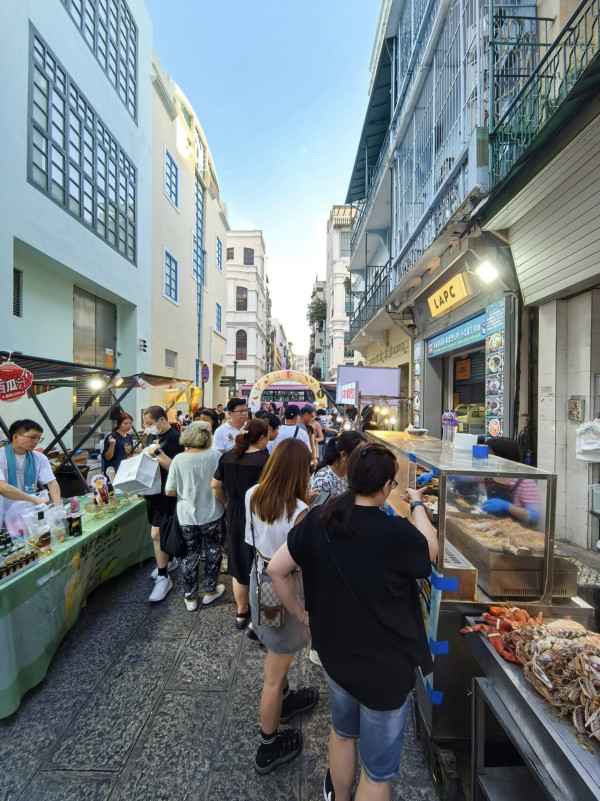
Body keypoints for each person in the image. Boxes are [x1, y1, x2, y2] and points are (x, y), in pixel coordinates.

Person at [268, 442, 438, 801]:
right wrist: (419, 503)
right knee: (377, 775)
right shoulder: (396, 533)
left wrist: (302, 615)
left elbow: (276, 569)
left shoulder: (319, 518)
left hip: (335, 654)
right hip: (384, 670)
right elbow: (430, 550)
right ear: (385, 487)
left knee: (343, 732)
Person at [245, 438, 319, 775]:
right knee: (272, 676)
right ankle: (268, 747)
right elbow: (301, 558)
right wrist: (303, 614)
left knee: (274, 649)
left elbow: (255, 539)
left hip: (260, 579)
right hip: (287, 585)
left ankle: (287, 701)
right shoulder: (299, 512)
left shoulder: (253, 494)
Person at [211, 419, 270, 629]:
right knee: (261, 561)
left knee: (238, 562)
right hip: (259, 513)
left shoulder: (228, 456)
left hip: (235, 512)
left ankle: (241, 611)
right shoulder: (265, 460)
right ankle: (260, 613)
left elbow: (215, 485)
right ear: (262, 438)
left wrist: (227, 503)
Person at [165, 422, 226, 611]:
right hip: (212, 512)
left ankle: (190, 597)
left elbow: (169, 491)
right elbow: (221, 484)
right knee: (213, 551)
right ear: (207, 437)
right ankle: (210, 591)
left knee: (189, 555)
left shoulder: (178, 459)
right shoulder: (215, 456)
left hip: (187, 516)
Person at [143, 405, 184, 602]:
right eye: (146, 425)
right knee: (159, 532)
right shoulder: (152, 436)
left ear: (161, 420)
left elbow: (174, 467)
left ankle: (163, 576)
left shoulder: (175, 439)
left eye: (150, 424)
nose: (149, 428)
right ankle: (170, 561)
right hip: (152, 490)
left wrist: (158, 451)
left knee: (156, 534)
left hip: (166, 493)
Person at [0, 419, 61, 525]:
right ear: (15, 437)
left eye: (39, 438)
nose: (36, 441)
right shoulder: (2, 456)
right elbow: (2, 487)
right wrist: (33, 499)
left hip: (28, 515)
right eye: (32, 437)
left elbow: (52, 483)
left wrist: (58, 508)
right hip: (3, 514)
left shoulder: (39, 458)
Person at [481, 437, 541, 524]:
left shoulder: (525, 482)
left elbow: (534, 516)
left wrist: (506, 506)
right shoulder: (490, 476)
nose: (487, 459)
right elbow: (468, 478)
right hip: (492, 525)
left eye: (490, 456)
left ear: (503, 458)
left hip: (515, 531)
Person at [310, 430, 367, 497]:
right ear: (343, 455)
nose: (364, 457)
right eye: (359, 453)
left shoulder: (350, 472)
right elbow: (318, 506)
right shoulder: (323, 480)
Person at [101, 412, 134, 477]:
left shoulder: (129, 437)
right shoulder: (112, 437)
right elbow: (107, 458)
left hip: (125, 470)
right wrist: (112, 445)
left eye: (130, 423)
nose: (128, 425)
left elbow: (129, 453)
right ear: (119, 424)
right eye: (125, 423)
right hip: (114, 471)